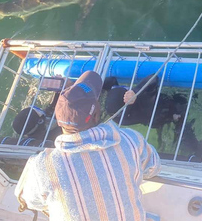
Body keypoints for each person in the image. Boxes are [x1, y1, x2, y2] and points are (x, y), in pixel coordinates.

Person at [14, 71, 160, 221]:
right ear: (96, 115)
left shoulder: (42, 165)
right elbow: (154, 167)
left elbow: (32, 201)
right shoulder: (130, 140)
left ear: (58, 118)